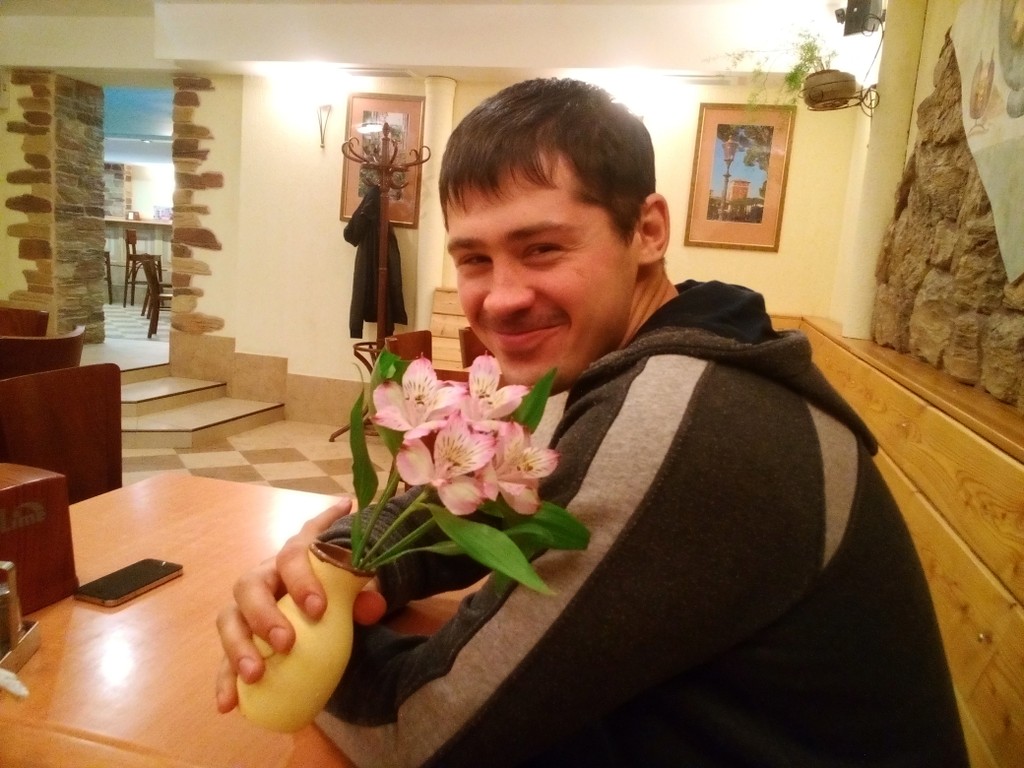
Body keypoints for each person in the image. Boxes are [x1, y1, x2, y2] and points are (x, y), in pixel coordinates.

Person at [216, 78, 968, 767]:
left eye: (542, 248)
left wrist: (293, 643)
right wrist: (339, 563)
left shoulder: (684, 416)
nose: (501, 298)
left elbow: (428, 736)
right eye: (474, 260)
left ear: (647, 230)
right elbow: (491, 507)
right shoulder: (679, 354)